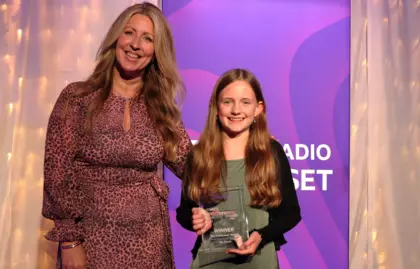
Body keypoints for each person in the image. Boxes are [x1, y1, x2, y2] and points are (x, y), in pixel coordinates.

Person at [41, 2, 191, 269]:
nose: (135, 44)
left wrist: (240, 142)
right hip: (91, 241)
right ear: (116, 38)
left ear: (156, 51)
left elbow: (191, 165)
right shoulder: (78, 99)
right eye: (129, 33)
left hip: (149, 244)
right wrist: (70, 242)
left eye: (147, 39)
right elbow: (58, 174)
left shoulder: (160, 108)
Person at [176, 69, 301, 269]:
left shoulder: (272, 152)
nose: (236, 110)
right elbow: (184, 211)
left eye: (245, 102)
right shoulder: (198, 154)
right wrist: (195, 219)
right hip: (210, 263)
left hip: (260, 261)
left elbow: (291, 212)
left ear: (258, 108)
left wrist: (261, 235)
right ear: (216, 107)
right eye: (227, 102)